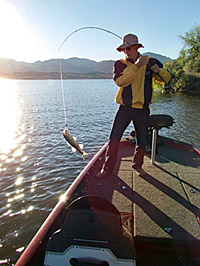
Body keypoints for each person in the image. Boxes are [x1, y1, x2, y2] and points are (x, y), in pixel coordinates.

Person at [96, 33, 171, 178]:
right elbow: (120, 82)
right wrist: (136, 67)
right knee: (114, 139)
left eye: (129, 48)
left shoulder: (150, 62)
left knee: (142, 141)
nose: (126, 51)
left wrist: (159, 71)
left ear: (137, 48)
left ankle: (138, 166)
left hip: (142, 110)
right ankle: (107, 170)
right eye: (124, 49)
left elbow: (166, 79)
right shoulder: (120, 64)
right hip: (124, 109)